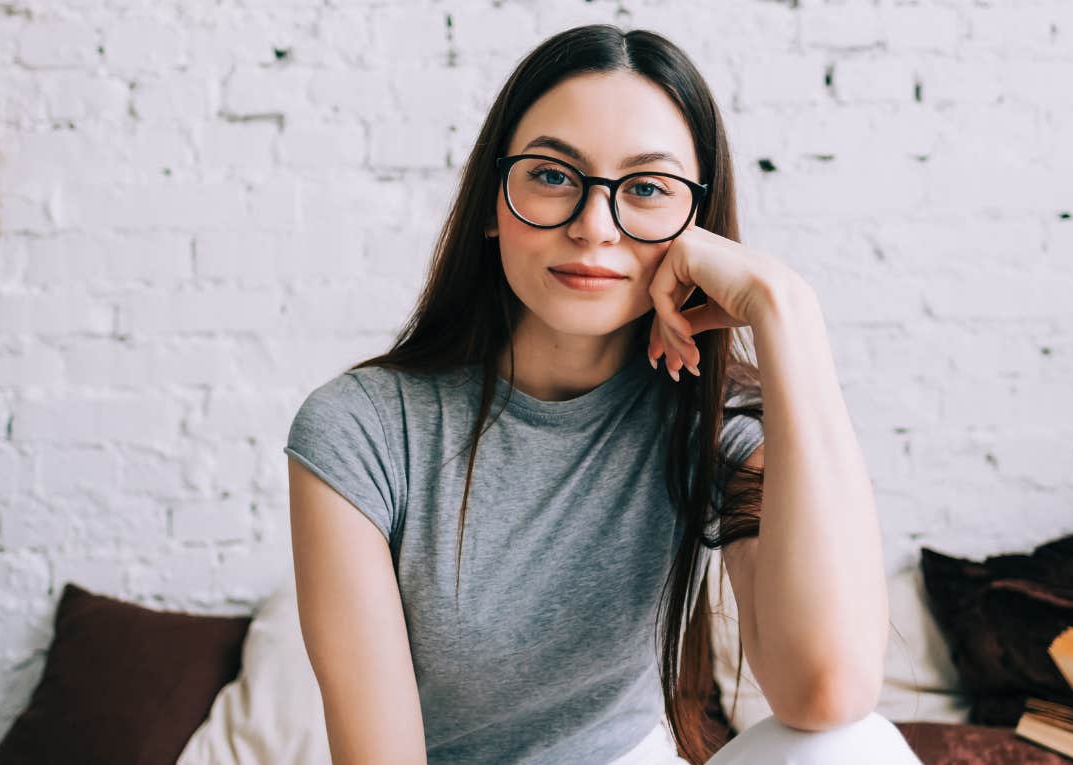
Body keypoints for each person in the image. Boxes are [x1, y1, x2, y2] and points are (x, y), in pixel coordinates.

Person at [285, 23, 923, 765]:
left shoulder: (709, 419)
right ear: (493, 203)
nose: (594, 228)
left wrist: (785, 310)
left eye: (646, 188)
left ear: (697, 224)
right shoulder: (361, 430)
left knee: (853, 745)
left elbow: (827, 690)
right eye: (553, 176)